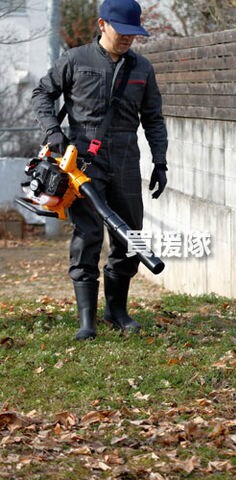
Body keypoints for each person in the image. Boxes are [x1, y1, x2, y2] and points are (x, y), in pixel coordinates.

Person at [31, 0, 168, 340]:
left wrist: (160, 160)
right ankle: (86, 320)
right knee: (88, 236)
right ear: (102, 24)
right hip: (83, 161)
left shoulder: (142, 68)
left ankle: (117, 311)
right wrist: (53, 131)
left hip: (125, 158)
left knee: (130, 235)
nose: (128, 38)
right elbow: (41, 94)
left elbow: (153, 118)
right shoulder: (75, 60)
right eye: (122, 31)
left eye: (133, 33)